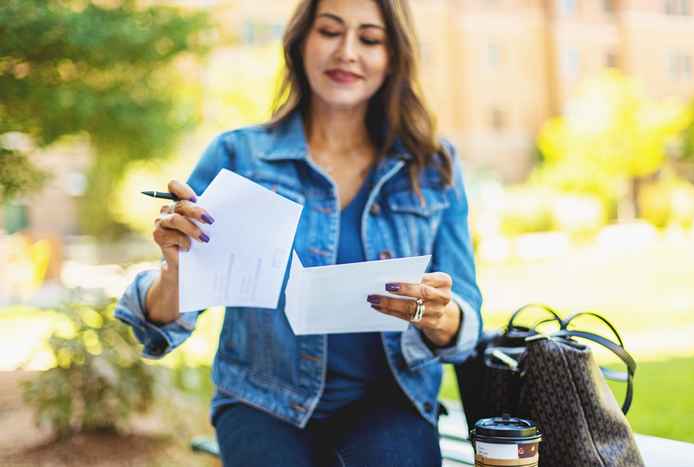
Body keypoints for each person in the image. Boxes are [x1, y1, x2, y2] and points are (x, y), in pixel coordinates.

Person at [115, 0, 482, 465]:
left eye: (369, 39)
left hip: (389, 400)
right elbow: (163, 320)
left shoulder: (433, 166)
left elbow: (467, 318)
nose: (347, 51)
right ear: (300, 42)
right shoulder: (238, 155)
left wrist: (442, 317)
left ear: (393, 57)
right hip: (261, 401)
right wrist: (175, 269)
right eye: (330, 31)